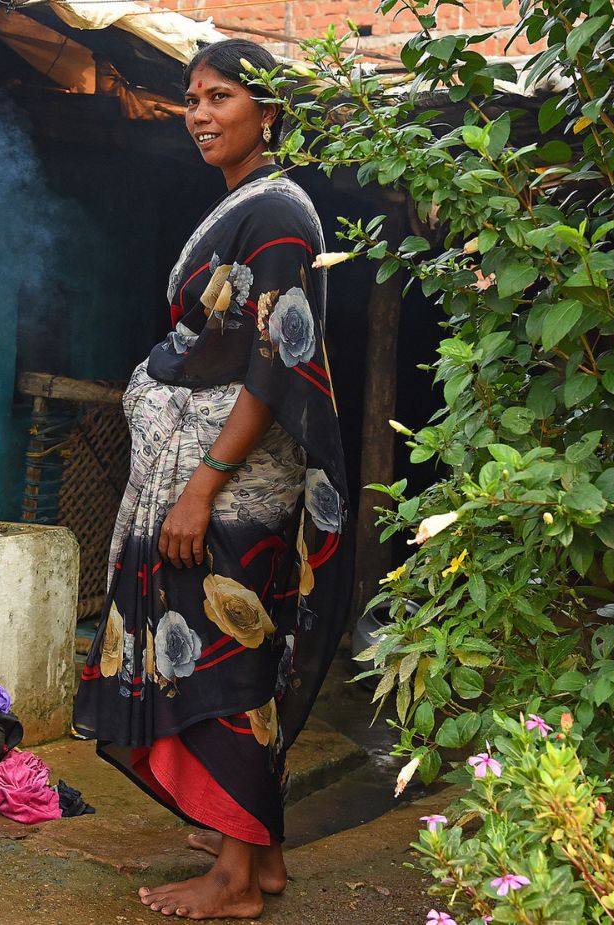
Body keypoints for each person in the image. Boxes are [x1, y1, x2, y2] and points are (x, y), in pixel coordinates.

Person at [72, 38, 351, 920]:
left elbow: (278, 359)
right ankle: (254, 855)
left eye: (219, 97)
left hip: (232, 481)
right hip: (197, 470)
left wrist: (202, 485)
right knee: (224, 642)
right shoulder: (241, 207)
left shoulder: (279, 214)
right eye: (190, 98)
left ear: (267, 113)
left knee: (229, 652)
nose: (198, 113)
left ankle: (233, 881)